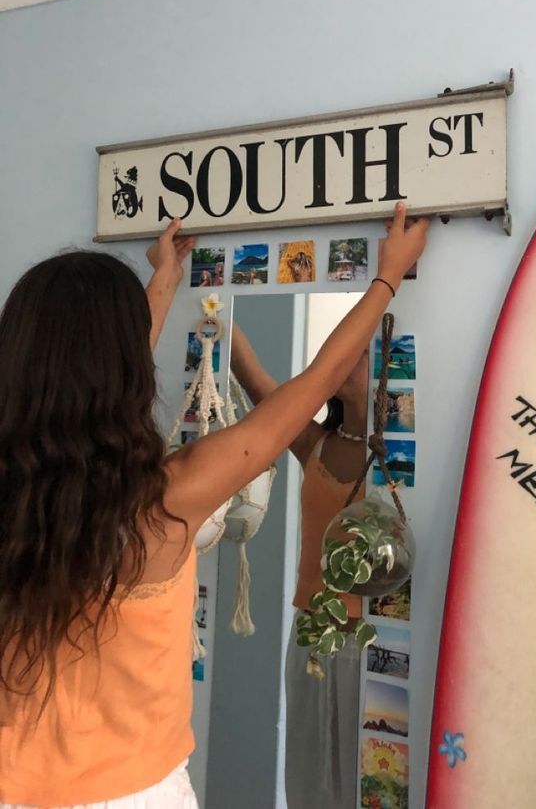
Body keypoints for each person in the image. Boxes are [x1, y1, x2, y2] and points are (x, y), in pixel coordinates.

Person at [0, 204, 429, 809]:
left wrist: (164, 284)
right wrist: (387, 276)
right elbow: (316, 379)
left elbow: (83, 385)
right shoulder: (168, 496)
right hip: (130, 793)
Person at [230, 322, 369, 809]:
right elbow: (254, 382)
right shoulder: (317, 445)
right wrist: (210, 307)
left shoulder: (406, 463)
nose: (351, 356)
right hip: (309, 636)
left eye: (364, 349)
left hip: (369, 647)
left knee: (366, 783)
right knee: (311, 784)